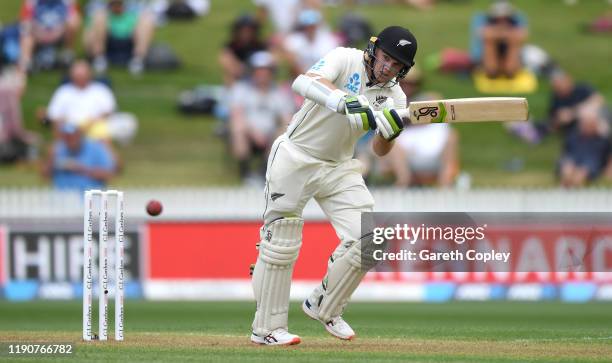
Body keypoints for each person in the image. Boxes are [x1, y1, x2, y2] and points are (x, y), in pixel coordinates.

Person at [250, 26, 417, 345]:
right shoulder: (344, 58)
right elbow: (303, 81)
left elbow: (380, 151)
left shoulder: (395, 96)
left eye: (397, 65)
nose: (388, 68)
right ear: (373, 50)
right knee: (281, 240)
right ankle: (266, 329)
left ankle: (324, 306)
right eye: (386, 58)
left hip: (339, 166)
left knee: (370, 239)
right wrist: (344, 101)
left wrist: (390, 133)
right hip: (296, 156)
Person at [228, 51, 293, 185]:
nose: (262, 74)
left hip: (270, 135)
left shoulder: (279, 93)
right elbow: (237, 114)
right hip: (248, 133)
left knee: (284, 131)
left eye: (266, 71)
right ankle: (245, 173)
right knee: (238, 127)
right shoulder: (241, 90)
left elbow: (287, 117)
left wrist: (280, 129)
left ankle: (263, 171)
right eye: (259, 71)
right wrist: (253, 133)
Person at [84, 0, 155, 75]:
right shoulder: (98, 5)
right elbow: (88, 31)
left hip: (129, 40)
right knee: (98, 18)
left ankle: (137, 60)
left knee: (147, 20)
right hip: (107, 41)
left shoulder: (135, 6)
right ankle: (99, 58)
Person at [42, 122, 116, 192]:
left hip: (90, 199)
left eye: (72, 136)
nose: (69, 139)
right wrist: (51, 159)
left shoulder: (96, 148)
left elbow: (108, 174)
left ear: (79, 135)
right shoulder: (58, 149)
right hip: (63, 199)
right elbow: (45, 174)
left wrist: (81, 168)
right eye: (65, 136)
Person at [18, 0, 81, 72]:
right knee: (26, 30)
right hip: (38, 32)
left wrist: (57, 31)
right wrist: (38, 32)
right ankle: (26, 62)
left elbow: (74, 16)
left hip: (59, 32)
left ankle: (67, 54)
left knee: (73, 22)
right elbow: (25, 20)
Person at [282, 9, 340, 79]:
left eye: (312, 26)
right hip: (299, 78)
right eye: (307, 26)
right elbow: (289, 59)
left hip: (324, 78)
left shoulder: (329, 41)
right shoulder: (294, 40)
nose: (309, 29)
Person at [559, 107, 610, 187]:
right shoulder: (573, 137)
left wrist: (609, 169)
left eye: (590, 124)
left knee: (582, 171)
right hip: (573, 159)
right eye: (585, 123)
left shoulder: (602, 139)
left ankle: (574, 186)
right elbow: (566, 153)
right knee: (567, 166)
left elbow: (608, 155)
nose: (587, 126)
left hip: (591, 163)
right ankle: (565, 186)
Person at [478, 1, 527, 77]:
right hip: (492, 59)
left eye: (505, 17)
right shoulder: (489, 23)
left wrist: (501, 34)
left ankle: (510, 72)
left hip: (509, 60)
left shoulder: (514, 23)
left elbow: (522, 35)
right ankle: (492, 71)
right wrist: (502, 33)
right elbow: (483, 34)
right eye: (499, 18)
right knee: (489, 43)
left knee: (514, 43)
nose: (502, 20)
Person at [218, 14, 267, 86]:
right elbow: (226, 62)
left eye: (249, 30)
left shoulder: (260, 46)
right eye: (243, 30)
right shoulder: (231, 47)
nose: (246, 33)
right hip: (238, 81)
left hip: (257, 81)